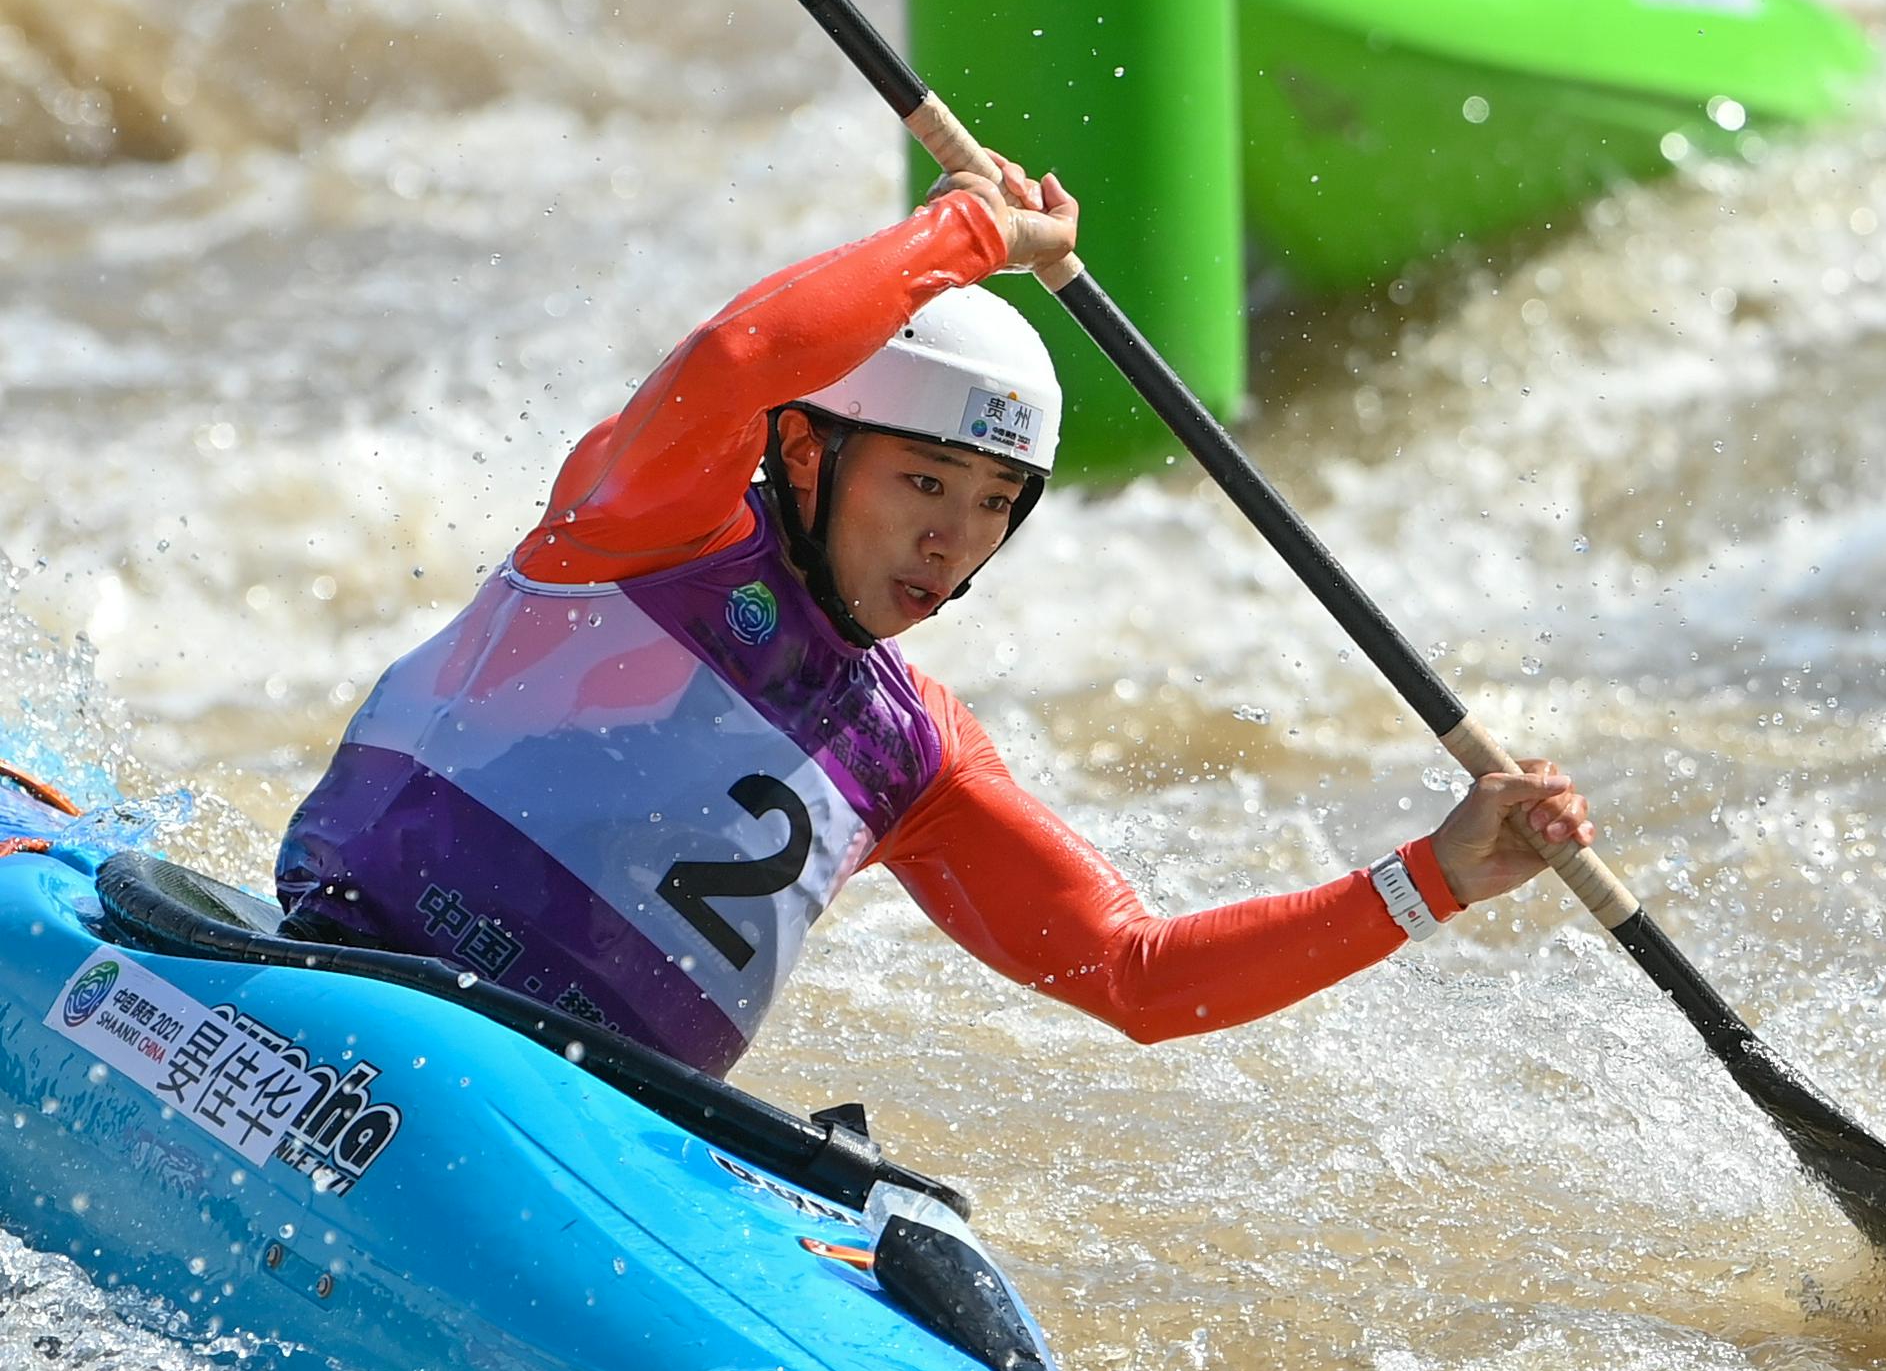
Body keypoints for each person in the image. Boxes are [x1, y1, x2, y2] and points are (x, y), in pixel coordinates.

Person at [277, 163, 1594, 1077]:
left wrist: (1432, 876)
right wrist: (964, 230)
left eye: (994, 501)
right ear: (806, 452)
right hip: (352, 968)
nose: (953, 536)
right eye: (922, 481)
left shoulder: (911, 751)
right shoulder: (650, 520)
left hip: (585, 1109)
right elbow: (739, 360)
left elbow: (1135, 973)